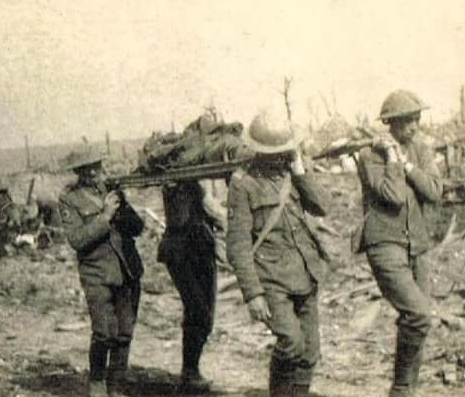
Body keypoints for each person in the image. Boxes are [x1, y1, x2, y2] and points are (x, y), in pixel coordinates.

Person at [226, 111, 329, 397]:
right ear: (259, 152)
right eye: (276, 152)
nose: (282, 155)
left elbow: (322, 206)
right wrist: (253, 293)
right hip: (270, 278)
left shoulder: (293, 173)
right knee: (292, 343)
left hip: (305, 272)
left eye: (286, 149)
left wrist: (300, 172)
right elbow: (237, 245)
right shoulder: (243, 183)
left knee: (310, 351)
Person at [357, 90, 443, 397]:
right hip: (385, 243)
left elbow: (434, 190)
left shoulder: (421, 148)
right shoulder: (370, 155)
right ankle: (402, 390)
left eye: (417, 119)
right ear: (390, 123)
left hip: (417, 245)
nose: (414, 126)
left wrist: (407, 166)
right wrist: (393, 158)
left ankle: (407, 389)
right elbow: (392, 196)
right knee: (418, 313)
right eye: (407, 121)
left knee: (420, 319)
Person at [59, 152, 144, 397]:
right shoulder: (70, 200)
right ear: (79, 172)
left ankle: (116, 384)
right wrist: (105, 216)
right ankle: (97, 381)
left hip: (126, 270)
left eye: (96, 167)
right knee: (104, 332)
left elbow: (137, 228)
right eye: (88, 169)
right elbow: (77, 239)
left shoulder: (112, 193)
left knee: (125, 331)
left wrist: (123, 207)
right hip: (96, 273)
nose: (94, 173)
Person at [158, 178, 226, 392]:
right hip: (181, 252)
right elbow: (179, 218)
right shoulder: (174, 185)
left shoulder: (198, 182)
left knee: (206, 315)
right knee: (198, 311)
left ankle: (191, 370)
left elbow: (216, 214)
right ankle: (189, 372)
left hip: (202, 248)